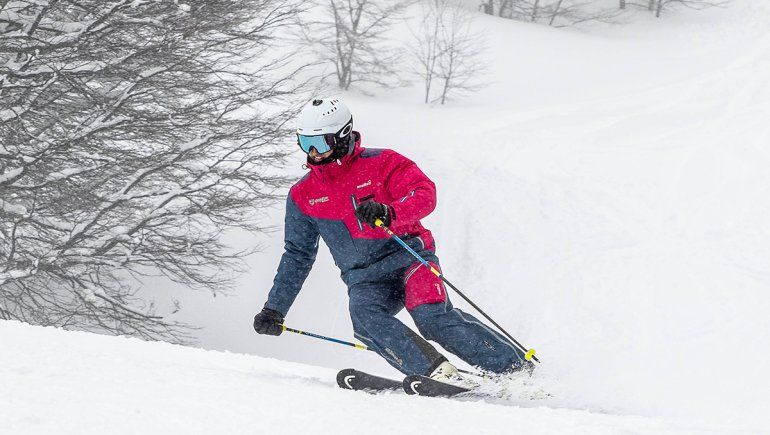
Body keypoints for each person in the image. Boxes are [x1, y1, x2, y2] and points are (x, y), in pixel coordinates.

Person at [254, 97, 529, 386]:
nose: (313, 152)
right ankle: (437, 372)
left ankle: (515, 370)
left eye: (320, 143)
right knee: (364, 319)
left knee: (430, 316)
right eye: (304, 142)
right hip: (365, 279)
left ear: (342, 135)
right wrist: (275, 308)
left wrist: (391, 212)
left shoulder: (383, 163)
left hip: (409, 259)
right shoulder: (303, 194)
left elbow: (425, 193)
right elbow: (297, 255)